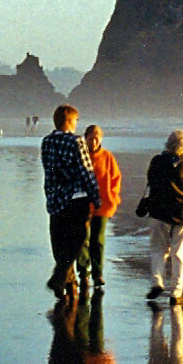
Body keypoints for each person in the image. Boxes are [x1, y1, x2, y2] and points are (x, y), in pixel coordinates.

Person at [40, 104, 99, 301]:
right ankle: (60, 277)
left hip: (55, 198)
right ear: (70, 122)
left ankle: (67, 284)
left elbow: (49, 169)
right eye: (75, 121)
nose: (76, 125)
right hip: (76, 198)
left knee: (59, 241)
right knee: (77, 239)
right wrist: (95, 196)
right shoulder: (77, 141)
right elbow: (86, 170)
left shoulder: (47, 142)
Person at [144, 129, 183, 305]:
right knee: (179, 254)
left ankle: (157, 282)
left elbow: (150, 180)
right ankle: (176, 294)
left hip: (159, 212)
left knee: (159, 250)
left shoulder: (157, 161)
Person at [75, 124, 122, 291]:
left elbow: (116, 179)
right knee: (82, 240)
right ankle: (83, 273)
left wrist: (113, 199)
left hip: (103, 205)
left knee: (98, 240)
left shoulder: (107, 157)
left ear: (100, 139)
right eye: (90, 138)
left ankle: (98, 274)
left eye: (96, 139)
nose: (93, 142)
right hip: (82, 204)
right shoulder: (80, 156)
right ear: (85, 138)